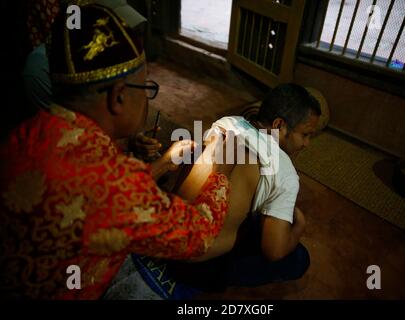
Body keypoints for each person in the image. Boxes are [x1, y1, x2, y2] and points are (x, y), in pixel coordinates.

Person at [0, 2, 235, 300]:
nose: (148, 97)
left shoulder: (25, 134)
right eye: (146, 88)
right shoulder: (114, 181)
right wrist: (221, 172)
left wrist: (160, 165)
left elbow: (91, 203)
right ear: (118, 97)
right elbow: (200, 237)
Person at [118, 84, 320, 298]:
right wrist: (299, 227)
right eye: (305, 135)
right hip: (195, 264)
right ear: (279, 124)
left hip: (169, 229)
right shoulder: (285, 171)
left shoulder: (226, 123)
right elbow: (274, 250)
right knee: (298, 257)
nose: (306, 144)